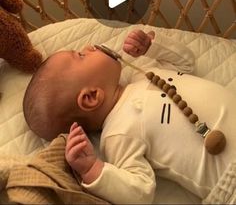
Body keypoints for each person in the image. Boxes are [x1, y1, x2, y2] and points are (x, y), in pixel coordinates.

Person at [23, 29, 236, 204]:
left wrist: (152, 46)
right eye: (80, 55)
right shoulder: (118, 133)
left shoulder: (142, 73)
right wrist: (94, 170)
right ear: (91, 97)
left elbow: (187, 63)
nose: (89, 47)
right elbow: (140, 192)